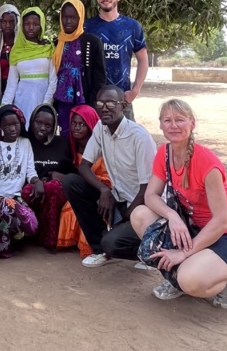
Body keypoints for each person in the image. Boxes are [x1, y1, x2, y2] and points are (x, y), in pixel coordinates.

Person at [131, 99, 227, 308]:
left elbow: (222, 221)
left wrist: (183, 253)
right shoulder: (164, 153)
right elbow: (150, 196)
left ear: (192, 123)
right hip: (196, 229)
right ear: (161, 125)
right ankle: (176, 278)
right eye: (168, 120)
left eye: (180, 120)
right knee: (140, 215)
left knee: (190, 280)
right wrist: (172, 217)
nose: (173, 125)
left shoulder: (207, 162)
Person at [61, 85, 156, 267]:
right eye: (100, 103)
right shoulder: (100, 128)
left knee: (112, 242)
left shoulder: (139, 137)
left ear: (124, 106)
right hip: (118, 195)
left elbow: (148, 188)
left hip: (143, 205)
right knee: (71, 182)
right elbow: (84, 167)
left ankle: (149, 251)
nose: (104, 107)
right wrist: (104, 190)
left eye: (111, 103)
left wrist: (127, 217)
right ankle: (100, 250)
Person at [84, 0, 148, 118]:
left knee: (126, 139)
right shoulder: (87, 27)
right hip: (94, 101)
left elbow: (143, 59)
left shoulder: (132, 26)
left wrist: (135, 91)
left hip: (122, 100)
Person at [0, 105, 39, 259]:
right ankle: (3, 247)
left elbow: (30, 171)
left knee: (32, 225)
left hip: (16, 199)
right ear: (0, 126)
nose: (12, 128)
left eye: (15, 124)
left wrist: (37, 181)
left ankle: (13, 240)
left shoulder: (25, 143)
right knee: (5, 207)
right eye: (7, 125)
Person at [57, 104, 111, 256]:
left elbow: (108, 177)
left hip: (104, 188)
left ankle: (95, 246)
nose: (77, 128)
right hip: (84, 188)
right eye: (74, 123)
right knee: (69, 207)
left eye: (82, 124)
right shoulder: (71, 145)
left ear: (91, 124)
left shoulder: (101, 146)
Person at [52, 0, 106, 137]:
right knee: (65, 137)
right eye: (64, 17)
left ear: (80, 18)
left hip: (84, 101)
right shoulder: (57, 42)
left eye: (72, 17)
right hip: (63, 102)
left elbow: (99, 77)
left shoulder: (92, 42)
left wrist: (91, 104)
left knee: (85, 139)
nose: (68, 21)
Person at [23, 103, 73, 251]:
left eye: (48, 125)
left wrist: (59, 176)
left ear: (54, 126)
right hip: (32, 188)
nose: (43, 128)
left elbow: (74, 174)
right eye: (38, 123)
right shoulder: (25, 142)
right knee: (28, 191)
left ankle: (49, 239)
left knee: (52, 187)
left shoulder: (62, 144)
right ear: (32, 121)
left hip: (56, 192)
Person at [2, 7, 57, 117]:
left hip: (43, 99)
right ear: (22, 26)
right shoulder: (17, 51)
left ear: (41, 25)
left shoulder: (48, 48)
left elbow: (53, 81)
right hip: (22, 100)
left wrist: (46, 105)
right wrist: (4, 107)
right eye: (27, 24)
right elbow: (12, 83)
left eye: (35, 24)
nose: (31, 27)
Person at [0, 4, 19, 99]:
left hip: (18, 89)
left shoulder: (22, 44)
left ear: (17, 22)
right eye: (4, 22)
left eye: (11, 22)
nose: (7, 25)